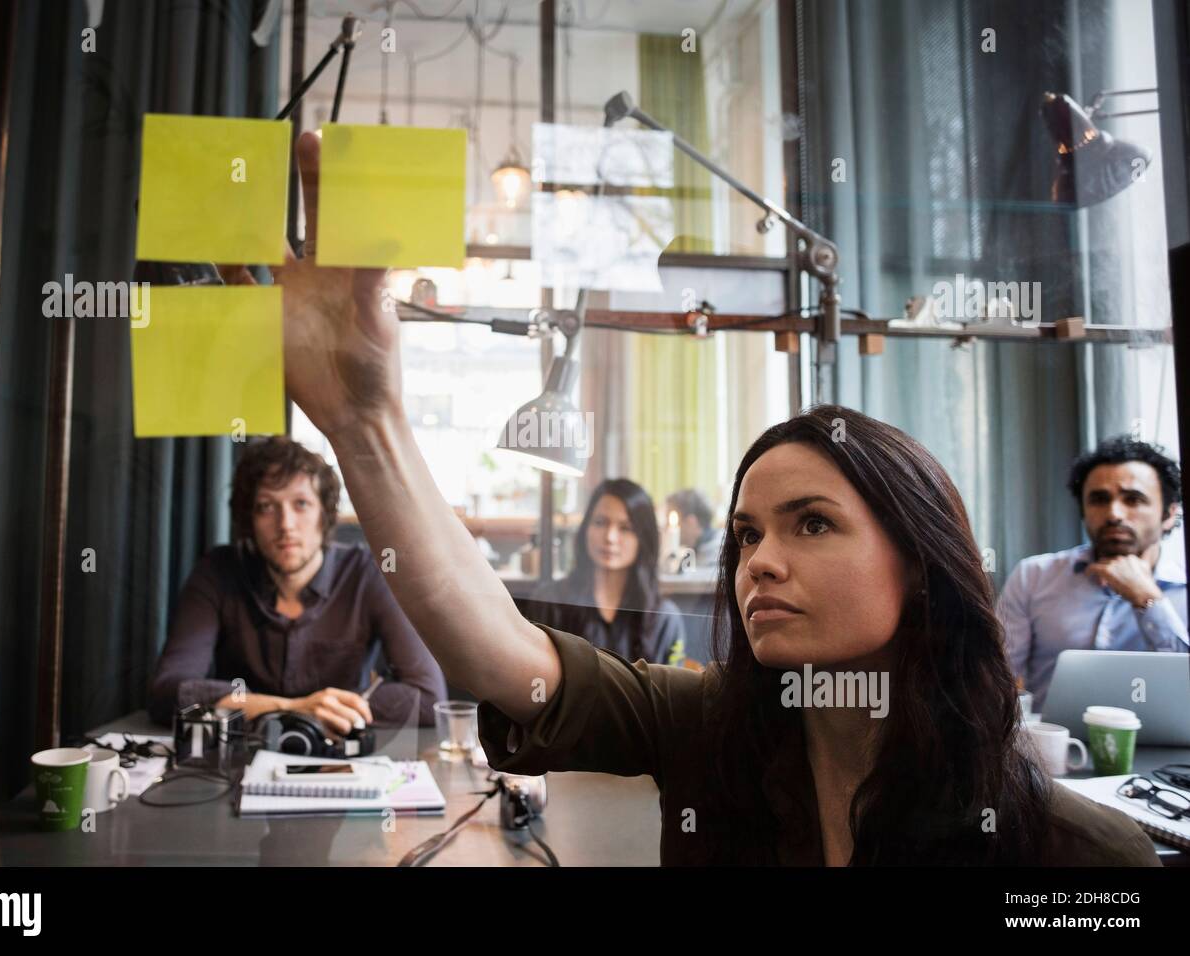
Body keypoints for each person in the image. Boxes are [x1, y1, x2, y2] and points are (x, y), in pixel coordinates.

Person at [260, 130, 1158, 865]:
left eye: (813, 524)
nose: (759, 561)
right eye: (746, 535)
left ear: (923, 565)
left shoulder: (1079, 857)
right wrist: (365, 419)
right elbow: (502, 656)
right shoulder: (705, 726)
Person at [147, 437, 446, 733]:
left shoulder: (369, 573)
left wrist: (323, 708)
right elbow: (168, 691)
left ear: (324, 513)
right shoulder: (218, 572)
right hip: (241, 760)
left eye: (301, 504)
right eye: (266, 507)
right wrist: (294, 708)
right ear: (249, 519)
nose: (286, 524)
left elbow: (427, 697)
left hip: (341, 756)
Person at [998, 436, 1186, 707]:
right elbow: (996, 675)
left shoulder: (1183, 591)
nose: (1114, 514)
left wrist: (1148, 600)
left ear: (1169, 514)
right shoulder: (1034, 576)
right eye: (1099, 499)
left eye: (1133, 499)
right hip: (1054, 744)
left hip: (1165, 747)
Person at [528, 478, 687, 665]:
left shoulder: (664, 619)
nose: (610, 537)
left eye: (625, 528)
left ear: (643, 538)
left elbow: (671, 691)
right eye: (600, 522)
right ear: (585, 528)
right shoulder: (550, 602)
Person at [665, 487, 721, 570]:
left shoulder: (716, 557)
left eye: (671, 522)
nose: (667, 528)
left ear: (691, 522)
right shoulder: (688, 552)